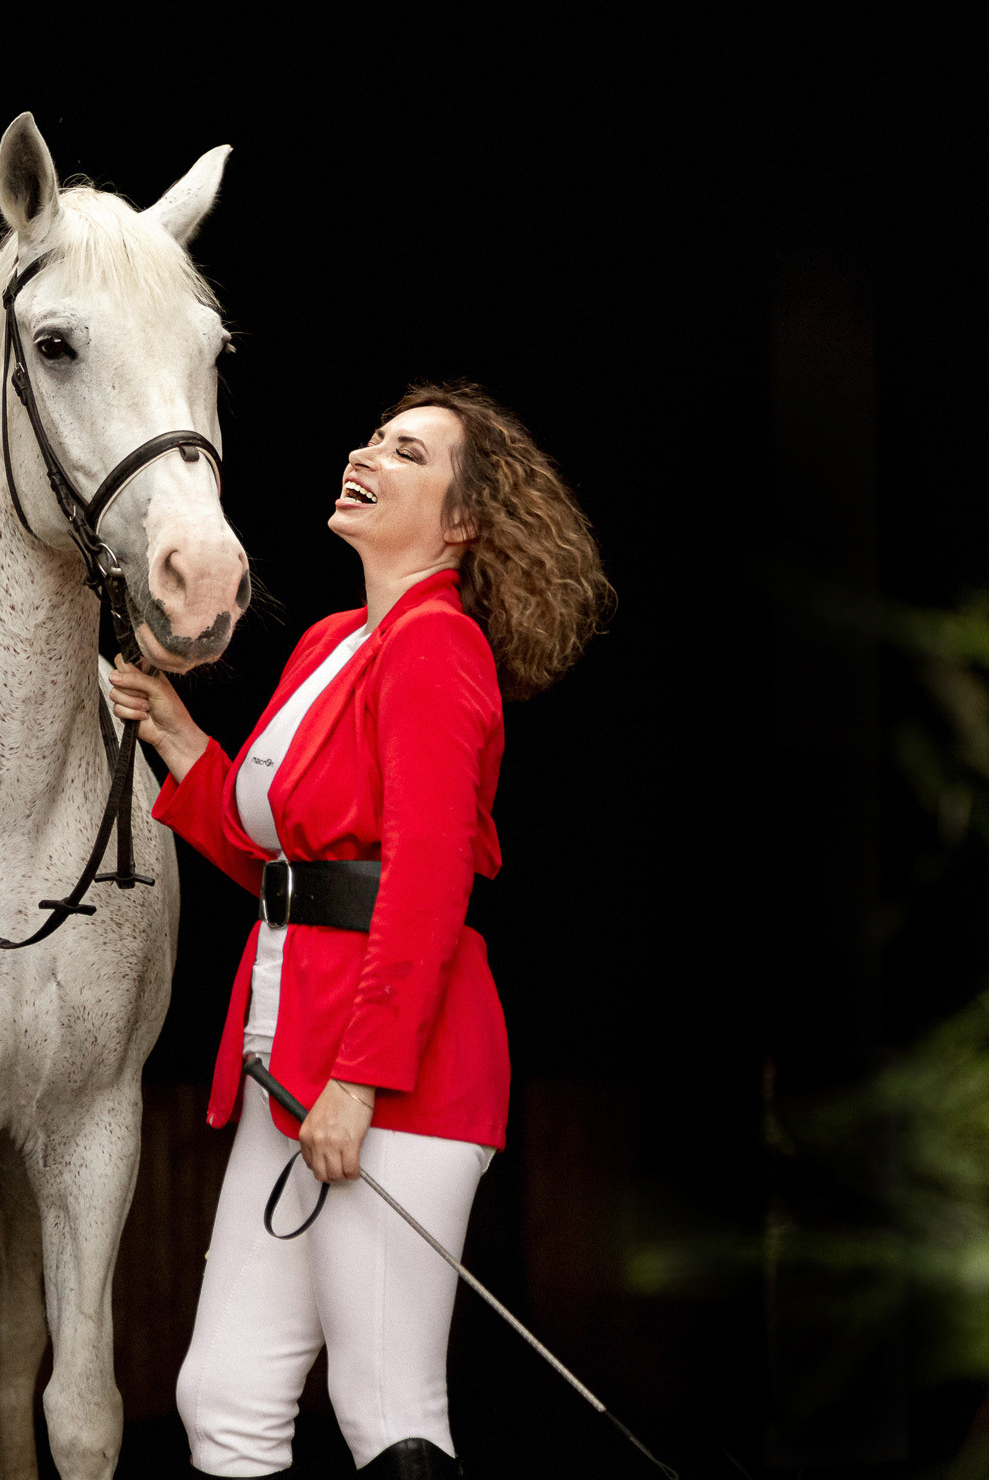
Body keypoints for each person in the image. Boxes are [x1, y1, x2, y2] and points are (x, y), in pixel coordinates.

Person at [109, 381, 611, 1479]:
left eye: (409, 453)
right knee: (225, 1395)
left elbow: (426, 883)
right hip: (288, 1061)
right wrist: (183, 741)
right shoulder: (335, 642)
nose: (367, 454)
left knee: (384, 1402)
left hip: (390, 1078)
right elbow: (294, 865)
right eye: (375, 438)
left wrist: (360, 1080)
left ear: (464, 520)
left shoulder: (440, 647)